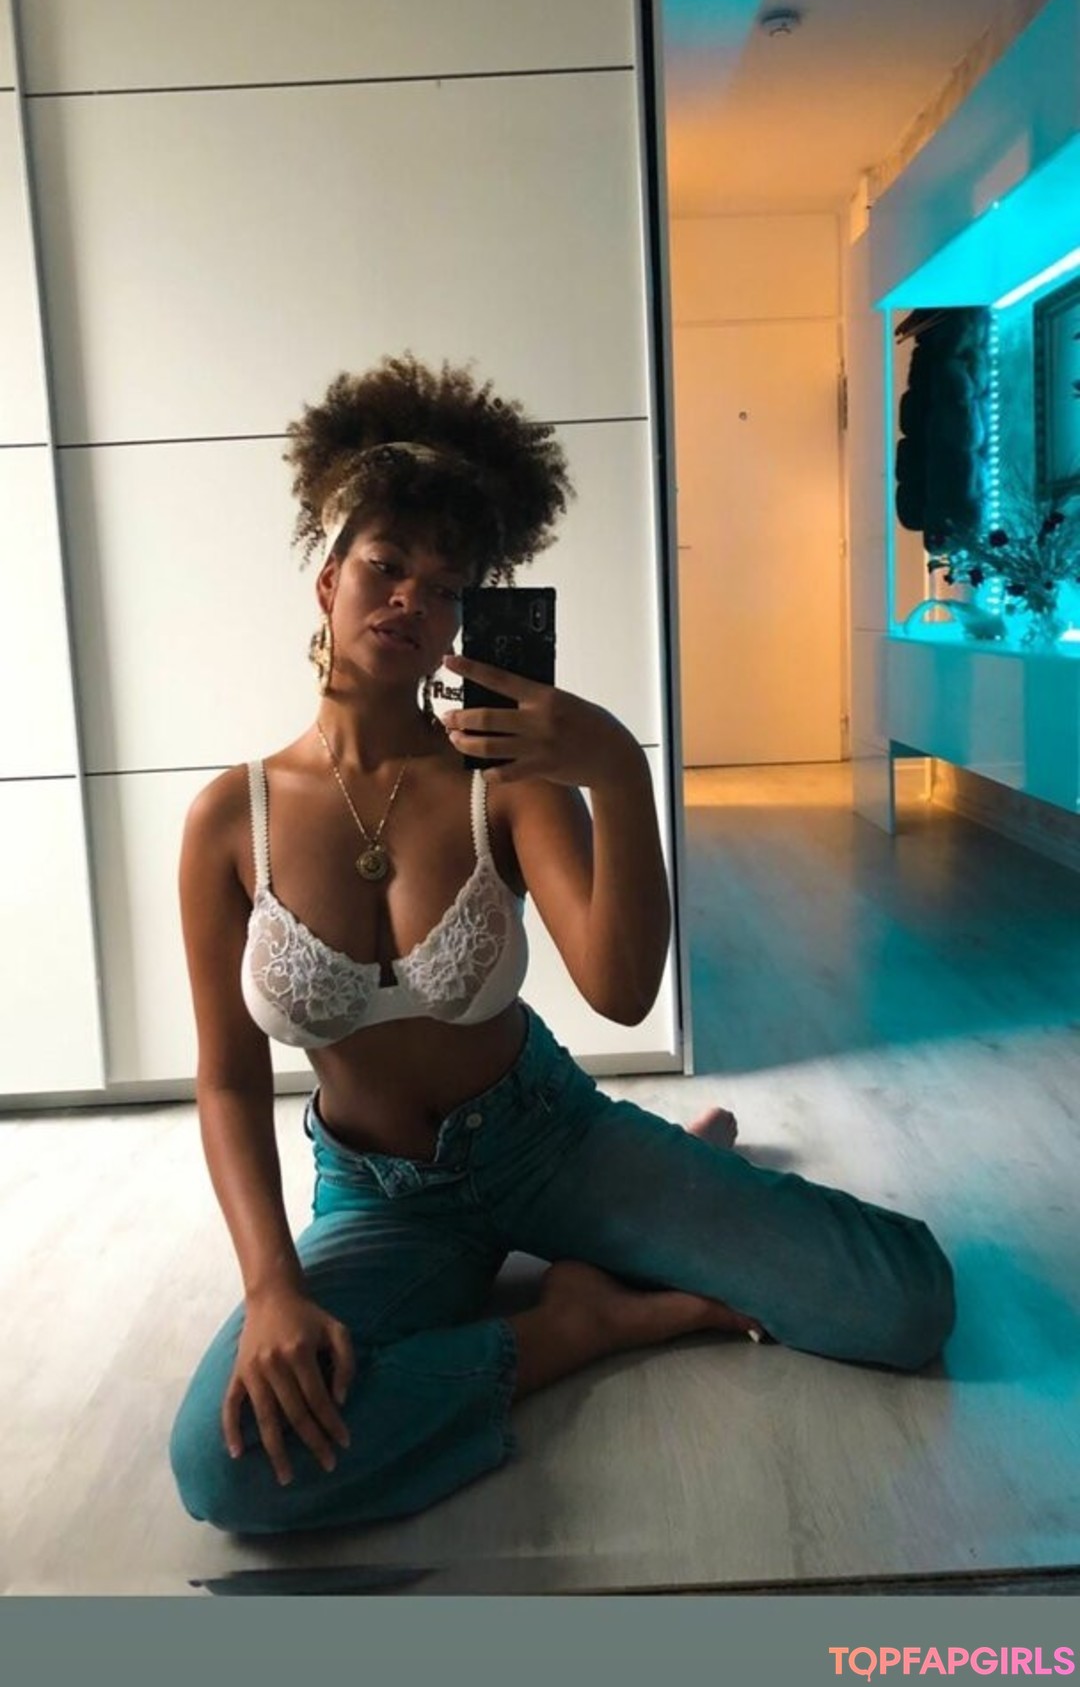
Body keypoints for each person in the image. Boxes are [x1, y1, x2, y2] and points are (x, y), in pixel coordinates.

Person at [169, 352, 955, 1536]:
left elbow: (624, 991)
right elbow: (229, 1078)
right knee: (225, 1465)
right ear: (328, 578)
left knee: (903, 1302)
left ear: (465, 619)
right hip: (380, 1195)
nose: (410, 599)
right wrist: (274, 1283)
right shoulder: (233, 819)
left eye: (446, 586)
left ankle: (658, 1186)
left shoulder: (513, 782)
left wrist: (615, 767)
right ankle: (581, 1318)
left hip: (547, 1138)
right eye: (386, 564)